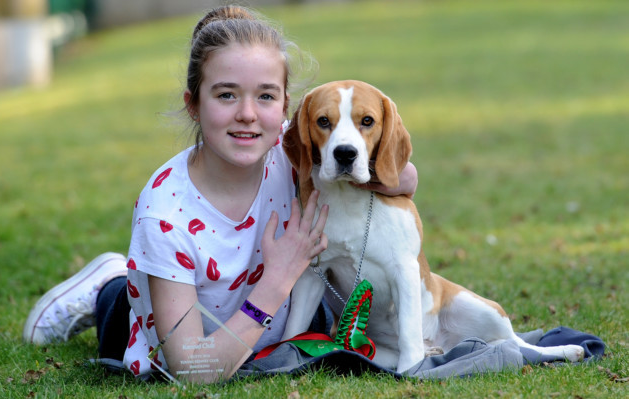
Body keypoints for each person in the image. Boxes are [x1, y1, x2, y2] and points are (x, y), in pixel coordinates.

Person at [22, 5, 418, 383]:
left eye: (265, 96)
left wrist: (377, 172)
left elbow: (406, 176)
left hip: (280, 321)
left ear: (286, 109)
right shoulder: (163, 216)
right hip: (173, 325)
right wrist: (277, 280)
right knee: (120, 304)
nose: (247, 113)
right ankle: (106, 283)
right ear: (193, 105)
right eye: (226, 95)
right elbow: (194, 371)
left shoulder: (293, 149)